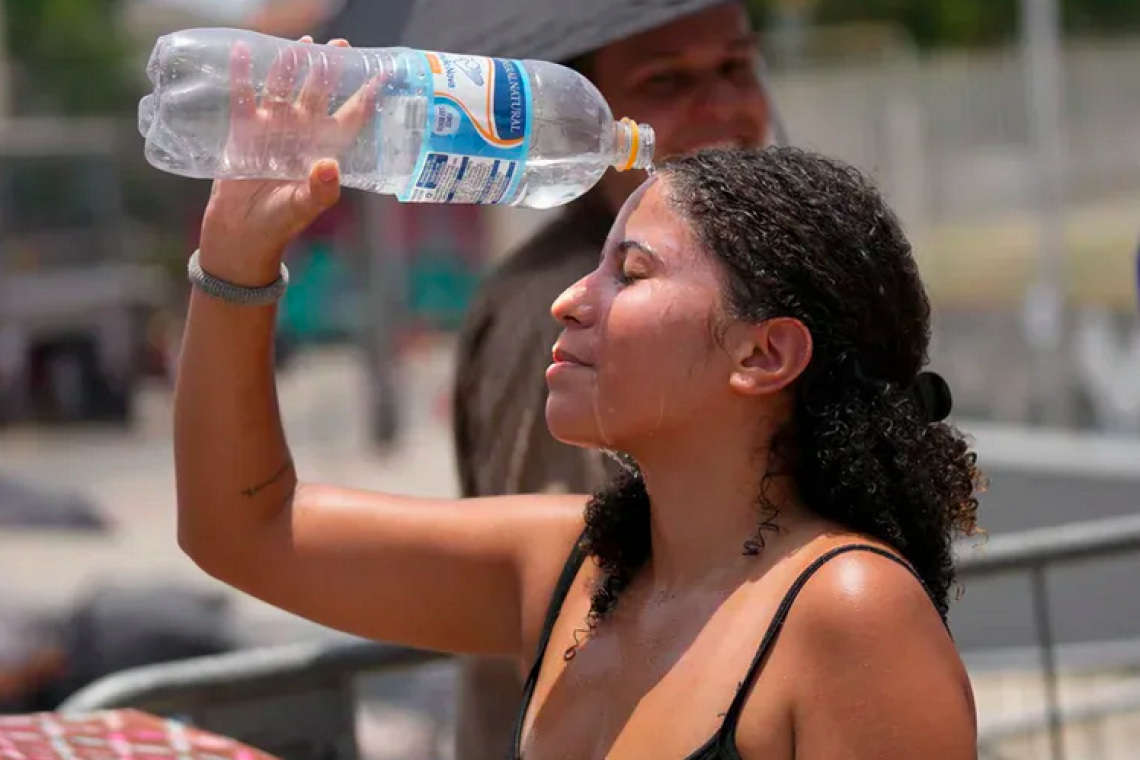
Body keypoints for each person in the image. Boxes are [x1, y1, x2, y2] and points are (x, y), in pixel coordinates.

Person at [173, 46, 981, 754]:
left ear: (763, 353)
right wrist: (235, 261)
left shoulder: (851, 613)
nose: (569, 299)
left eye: (628, 273)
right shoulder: (574, 568)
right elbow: (244, 528)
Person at [449, 4, 772, 752]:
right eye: (667, 81)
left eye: (735, 66)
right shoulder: (561, 311)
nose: (722, 108)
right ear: (581, 115)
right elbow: (582, 591)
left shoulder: (742, 274)